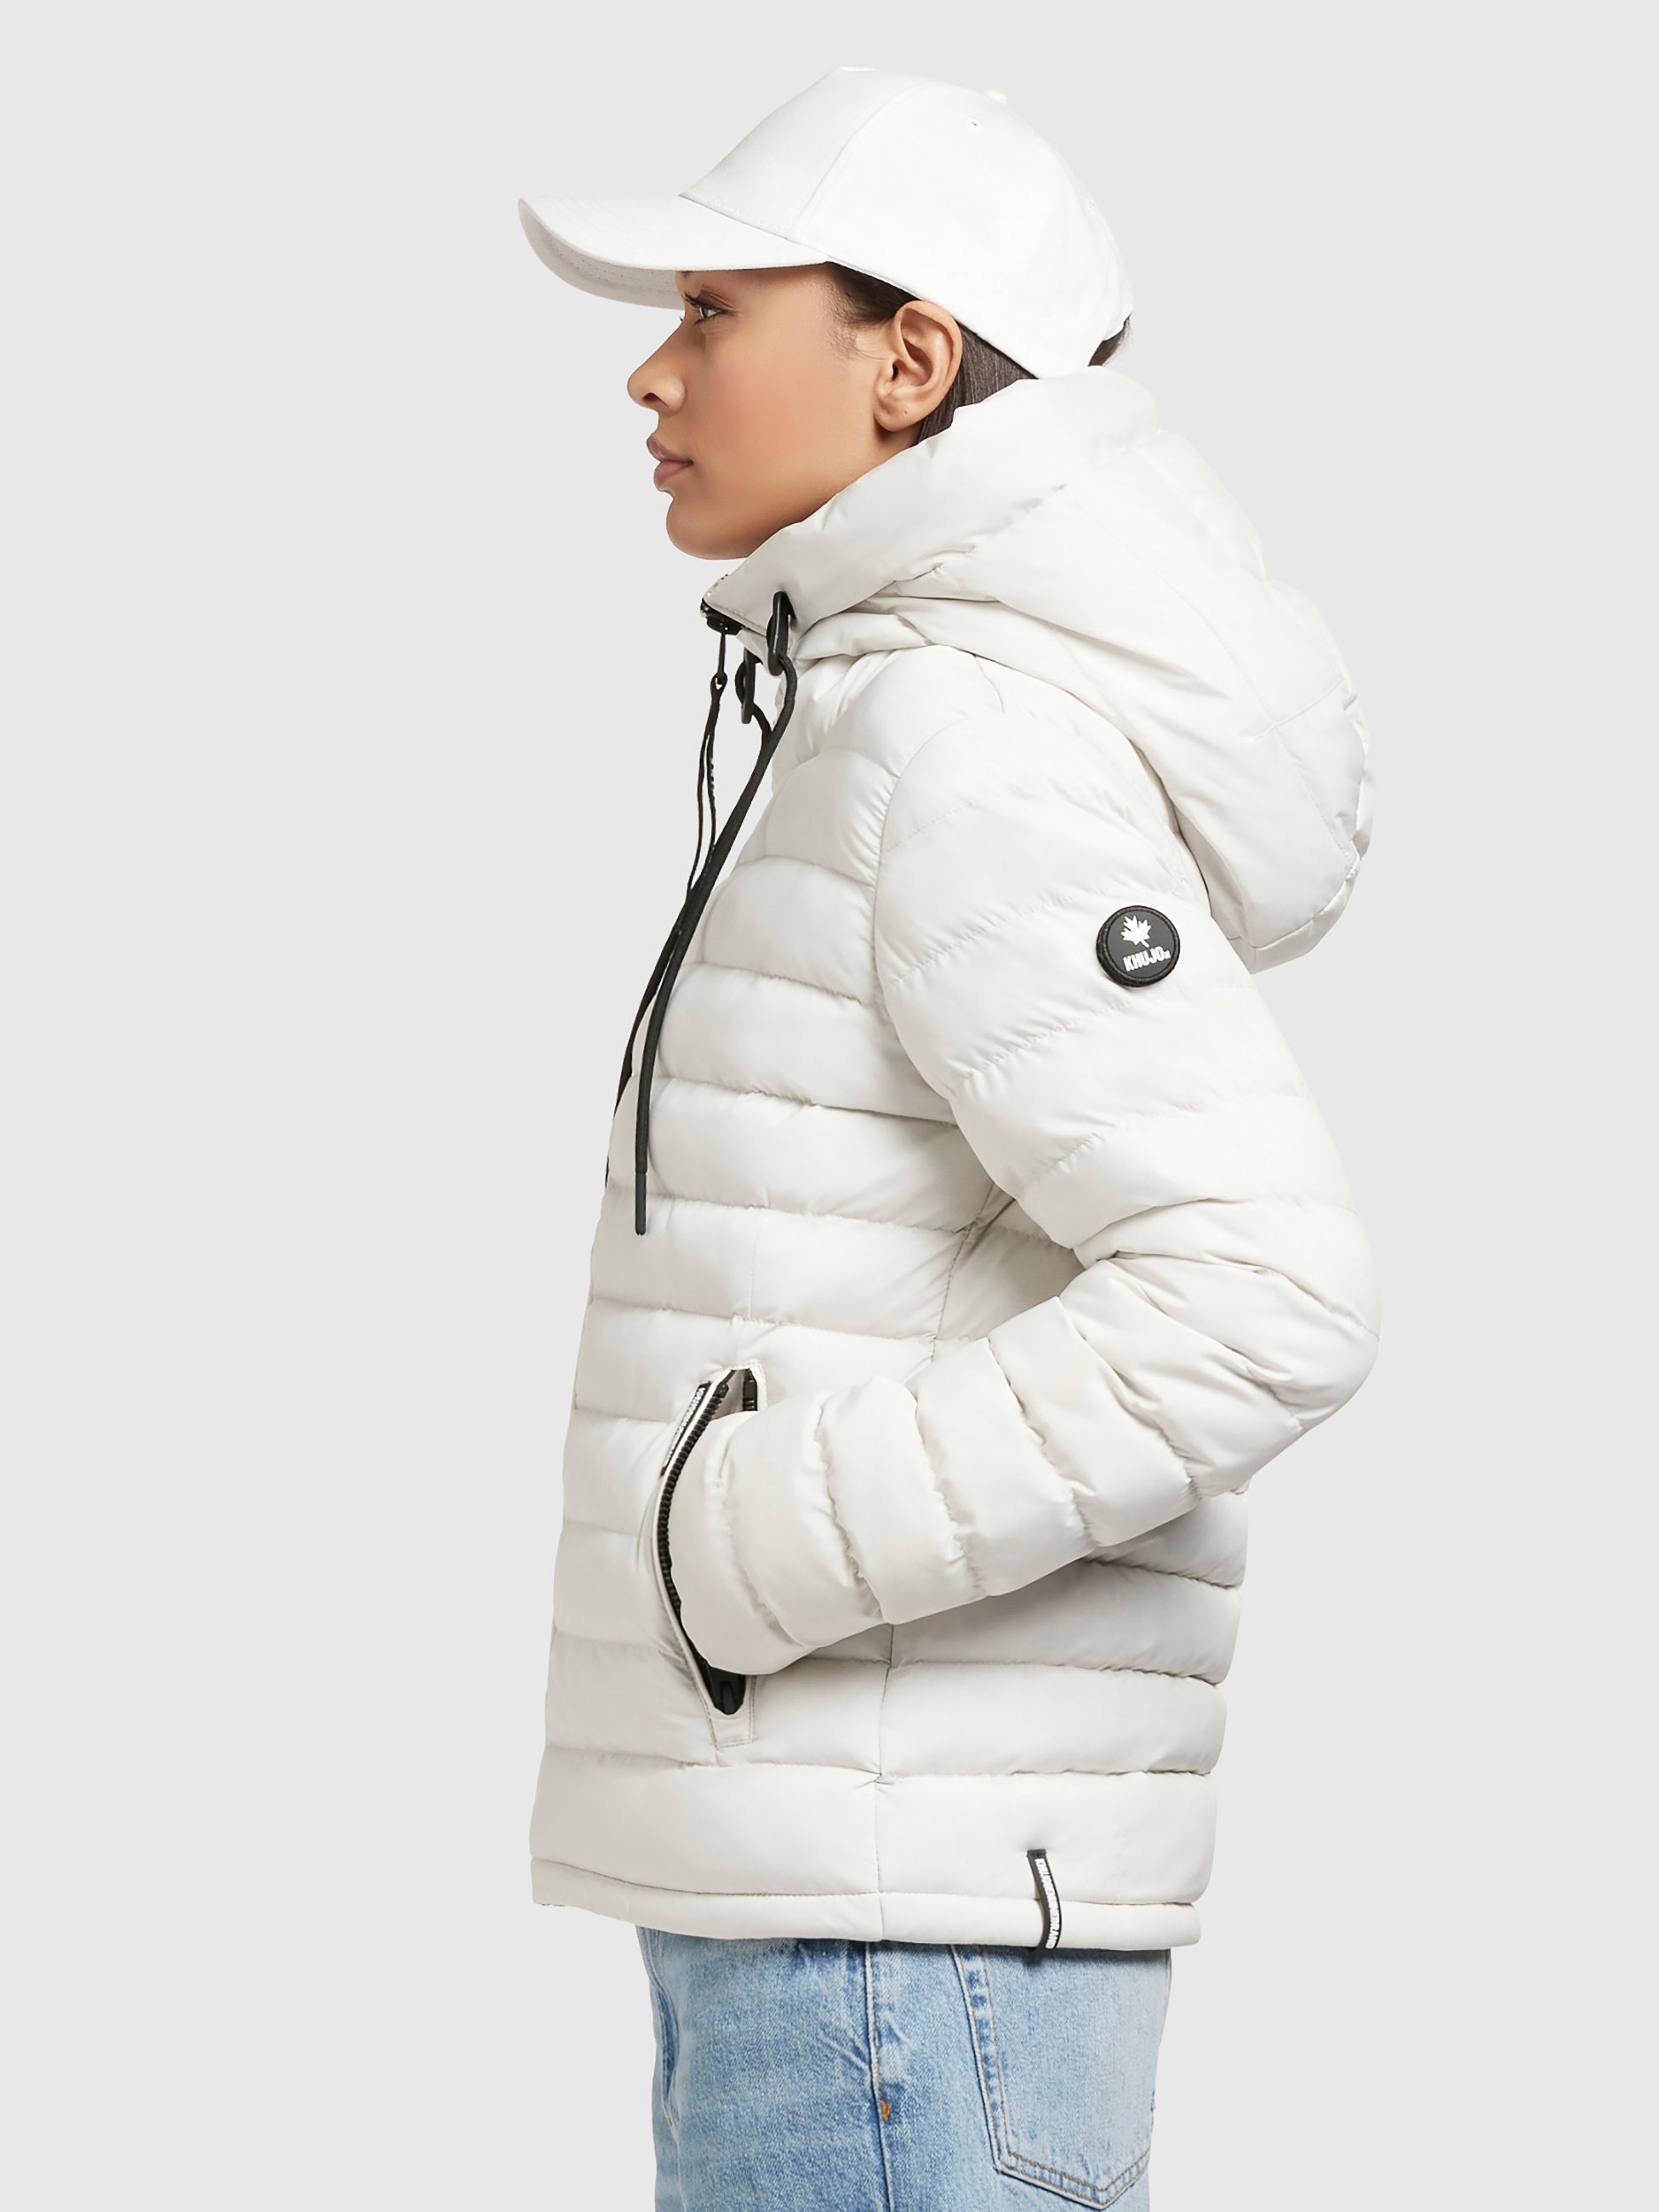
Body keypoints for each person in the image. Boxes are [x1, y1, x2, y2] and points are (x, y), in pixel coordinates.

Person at [517, 67, 1378, 2210]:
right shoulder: (878, 712)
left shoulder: (967, 748)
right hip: (839, 1910)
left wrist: (752, 1546)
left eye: (712, 311)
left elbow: (1266, 1293)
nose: (651, 371)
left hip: (901, 1952)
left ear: (908, 362)